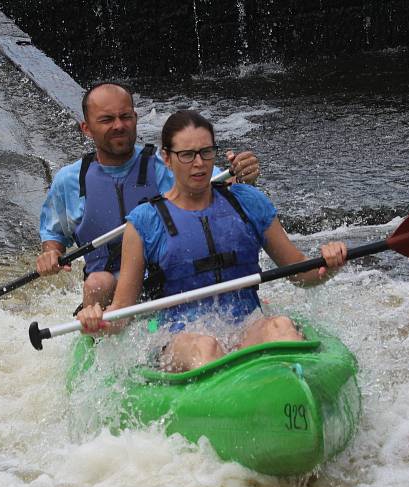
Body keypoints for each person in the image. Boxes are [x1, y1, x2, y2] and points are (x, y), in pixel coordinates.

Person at [76, 110, 348, 372]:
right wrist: (97, 321)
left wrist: (330, 264)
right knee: (205, 348)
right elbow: (123, 312)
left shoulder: (247, 202)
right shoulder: (144, 222)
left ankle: (289, 392)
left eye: (206, 152)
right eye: (187, 155)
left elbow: (302, 271)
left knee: (281, 327)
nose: (199, 163)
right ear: (167, 158)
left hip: (246, 326)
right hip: (179, 338)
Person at [36, 82, 261, 310]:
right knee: (97, 283)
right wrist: (51, 254)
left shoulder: (167, 163)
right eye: (107, 120)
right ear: (86, 128)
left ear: (135, 117)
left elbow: (220, 183)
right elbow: (53, 233)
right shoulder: (69, 180)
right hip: (109, 287)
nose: (118, 126)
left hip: (169, 279)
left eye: (125, 117)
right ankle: (100, 334)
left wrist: (241, 175)